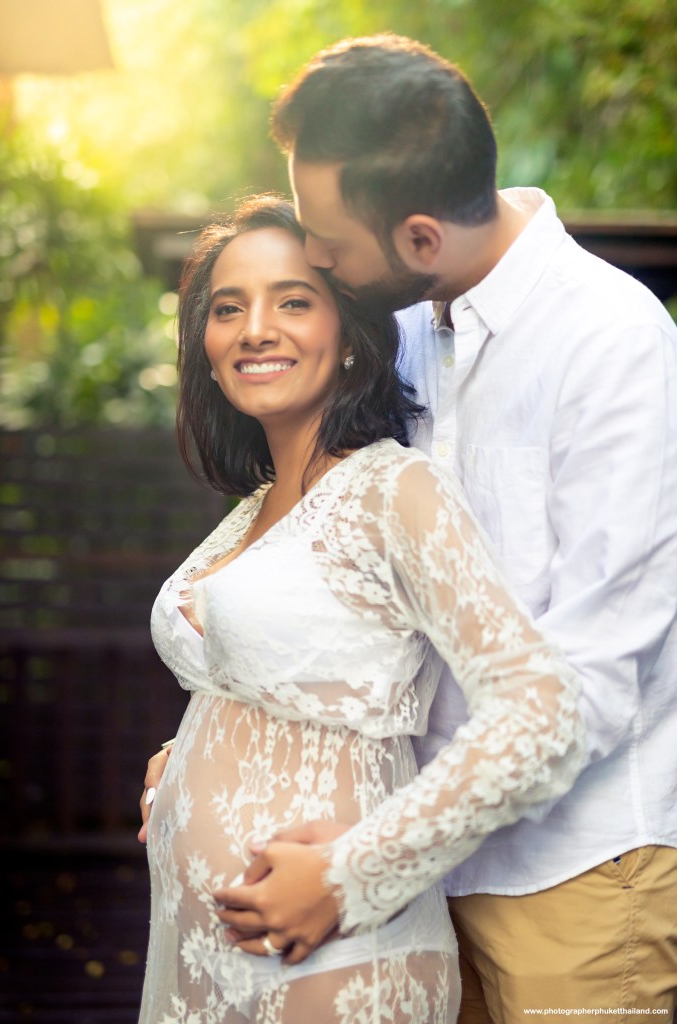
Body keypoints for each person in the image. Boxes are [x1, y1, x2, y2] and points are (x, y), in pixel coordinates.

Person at [171, 34, 677, 1022]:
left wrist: (356, 867)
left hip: (570, 878)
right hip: (407, 881)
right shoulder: (395, 323)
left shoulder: (614, 350)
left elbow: (586, 687)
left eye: (325, 242)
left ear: (414, 236)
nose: (313, 255)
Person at [137, 194, 586, 1024]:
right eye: (227, 308)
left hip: (333, 958)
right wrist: (189, 751)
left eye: (292, 301)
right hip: (198, 955)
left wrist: (355, 873)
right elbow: (303, 674)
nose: (255, 328)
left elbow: (542, 711)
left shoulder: (393, 488)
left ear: (350, 338)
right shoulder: (252, 510)